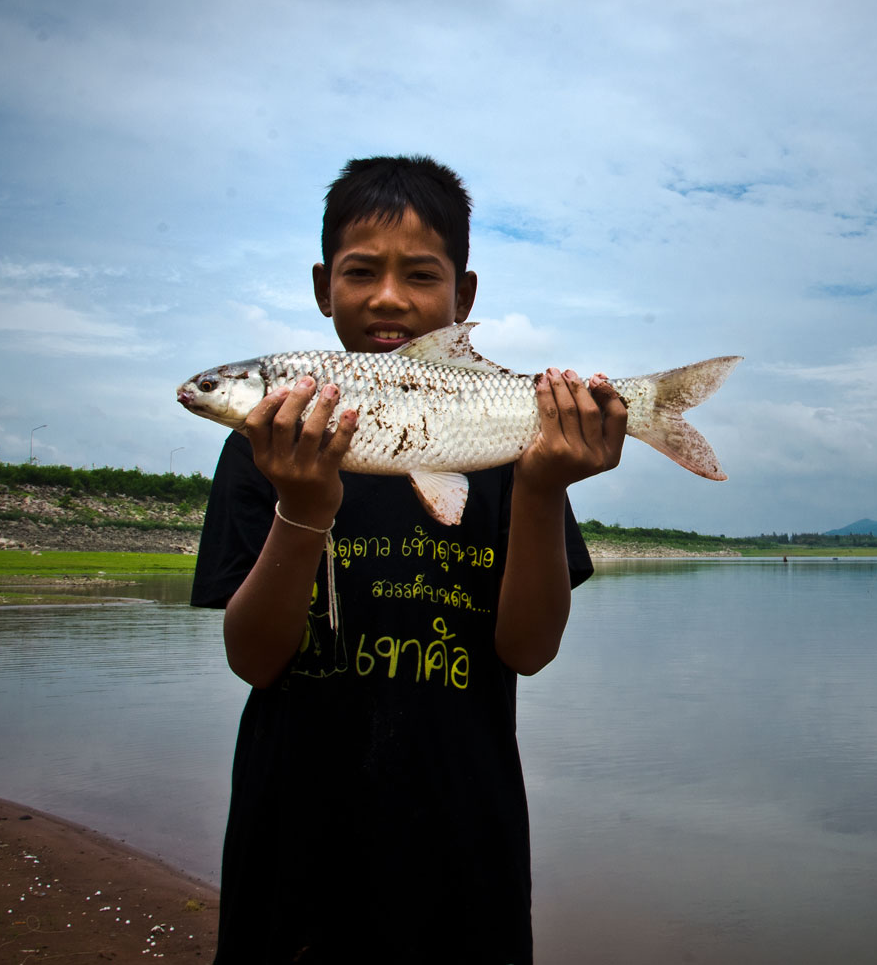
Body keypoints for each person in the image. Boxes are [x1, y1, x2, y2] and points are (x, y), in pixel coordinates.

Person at [191, 154, 626, 963]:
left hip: (466, 837)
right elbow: (254, 660)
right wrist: (305, 506)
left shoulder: (505, 454)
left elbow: (527, 651)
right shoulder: (264, 452)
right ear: (324, 286)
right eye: (362, 272)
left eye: (420, 274)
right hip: (292, 840)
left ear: (463, 297)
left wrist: (538, 491)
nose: (389, 296)